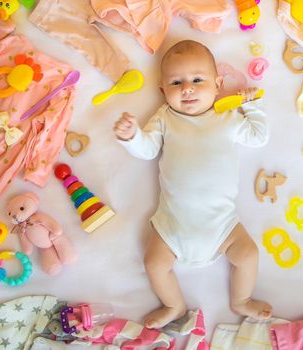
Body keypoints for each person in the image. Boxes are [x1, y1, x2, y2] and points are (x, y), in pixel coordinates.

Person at [114, 40, 271, 328]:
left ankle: (241, 300)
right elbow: (147, 150)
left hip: (223, 225)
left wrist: (252, 105)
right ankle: (173, 305)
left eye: (197, 80)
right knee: (154, 264)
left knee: (248, 255)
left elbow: (258, 136)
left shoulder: (227, 117)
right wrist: (132, 136)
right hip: (172, 225)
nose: (187, 88)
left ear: (217, 84)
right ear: (163, 90)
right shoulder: (165, 118)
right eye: (176, 82)